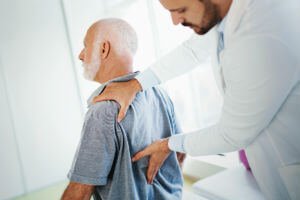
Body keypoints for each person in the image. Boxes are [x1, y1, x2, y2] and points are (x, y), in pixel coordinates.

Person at [93, 0, 300, 200]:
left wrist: (170, 144)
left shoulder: (261, 32)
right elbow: (192, 51)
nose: (175, 20)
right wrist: (136, 84)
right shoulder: (228, 15)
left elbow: (232, 135)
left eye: (181, 9)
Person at [61, 18, 185, 200]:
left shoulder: (103, 110)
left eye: (85, 46)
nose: (80, 55)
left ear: (104, 49)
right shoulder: (159, 92)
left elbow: (79, 192)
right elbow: (180, 153)